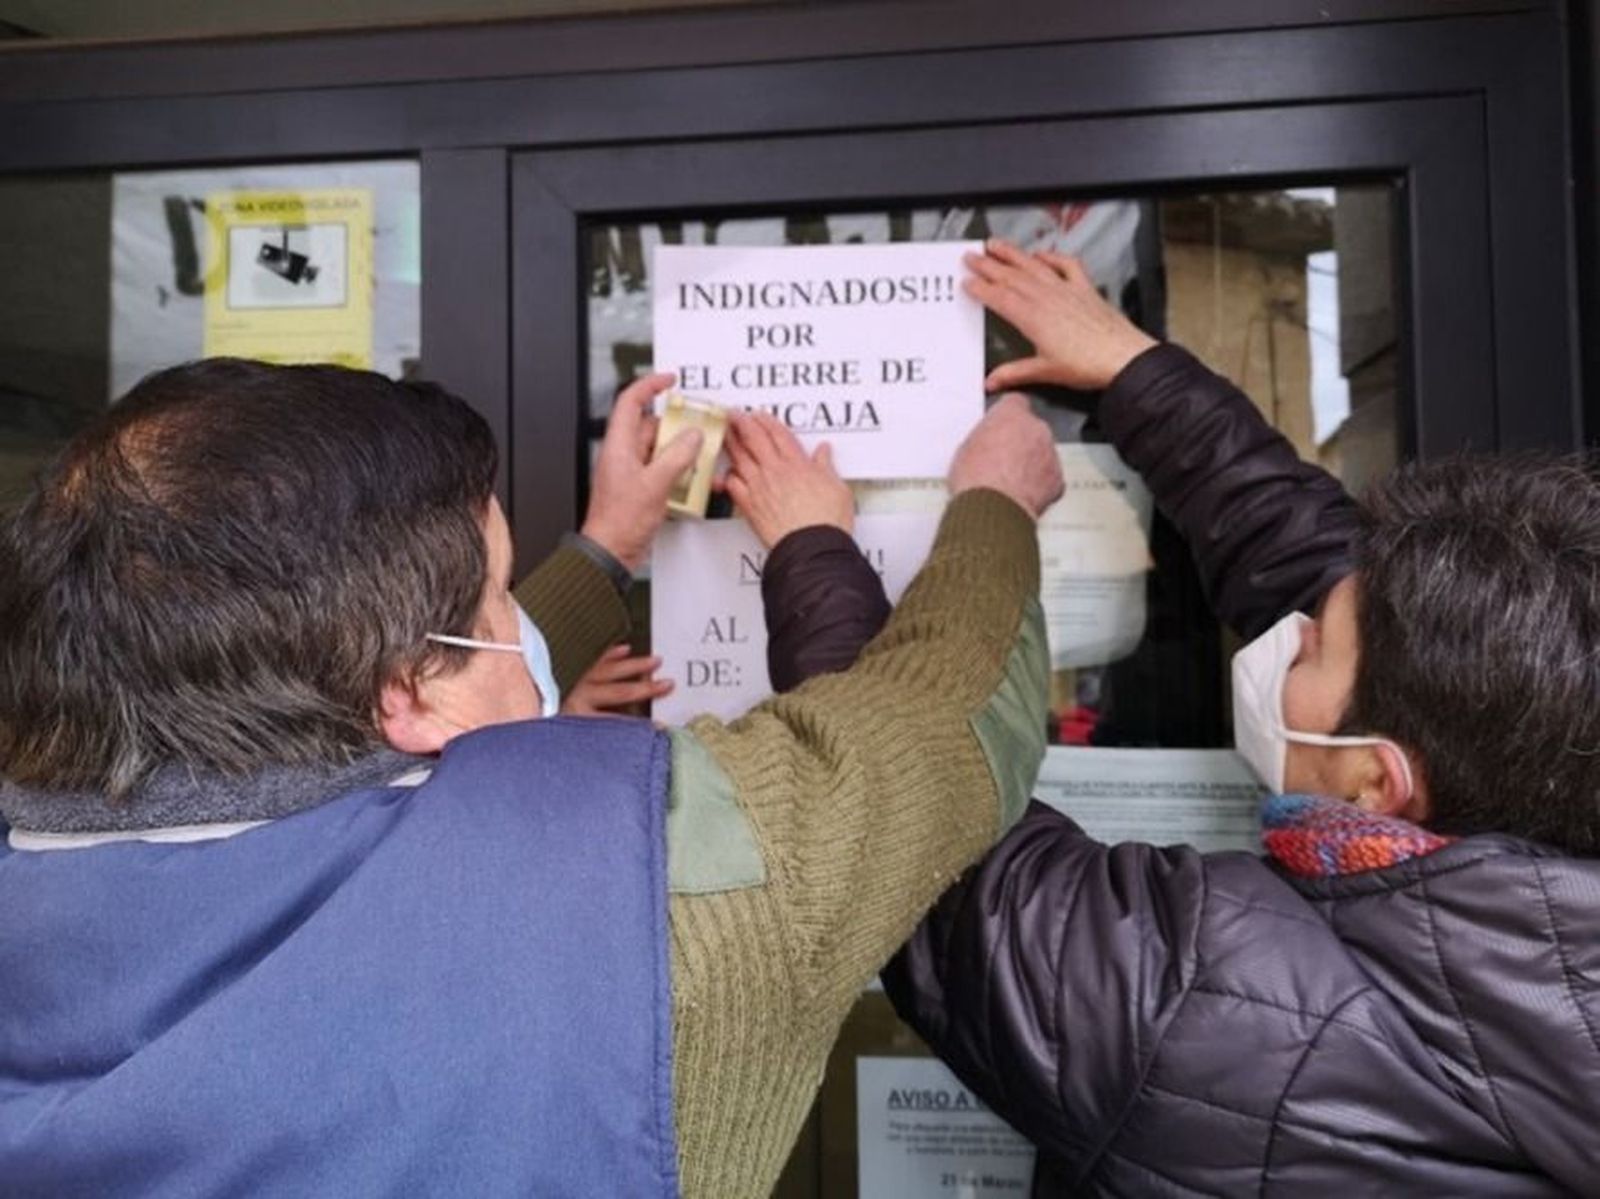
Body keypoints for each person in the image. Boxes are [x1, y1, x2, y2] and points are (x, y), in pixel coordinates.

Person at [0, 356, 1063, 1197]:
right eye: (497, 595)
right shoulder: (651, 906)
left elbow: (378, 713)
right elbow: (944, 719)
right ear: (406, 689)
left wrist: (608, 548)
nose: (512, 621)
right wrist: (994, 503)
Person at [743, 241, 1600, 1194]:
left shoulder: (1230, 1014)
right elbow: (1328, 567)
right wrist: (1134, 372)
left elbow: (910, 835)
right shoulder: (1536, 770)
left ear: (1378, 781)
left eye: (1314, 645)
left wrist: (815, 545)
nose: (1294, 629)